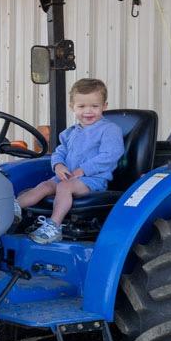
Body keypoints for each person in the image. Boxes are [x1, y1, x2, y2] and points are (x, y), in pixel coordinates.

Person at [16, 78, 125, 243]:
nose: (88, 111)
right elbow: (59, 152)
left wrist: (83, 170)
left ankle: (54, 226)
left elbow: (110, 155)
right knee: (45, 186)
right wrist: (58, 165)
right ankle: (11, 209)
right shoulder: (69, 132)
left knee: (64, 187)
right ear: (72, 107)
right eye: (81, 106)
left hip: (92, 180)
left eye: (94, 106)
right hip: (66, 176)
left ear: (104, 106)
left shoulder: (109, 130)